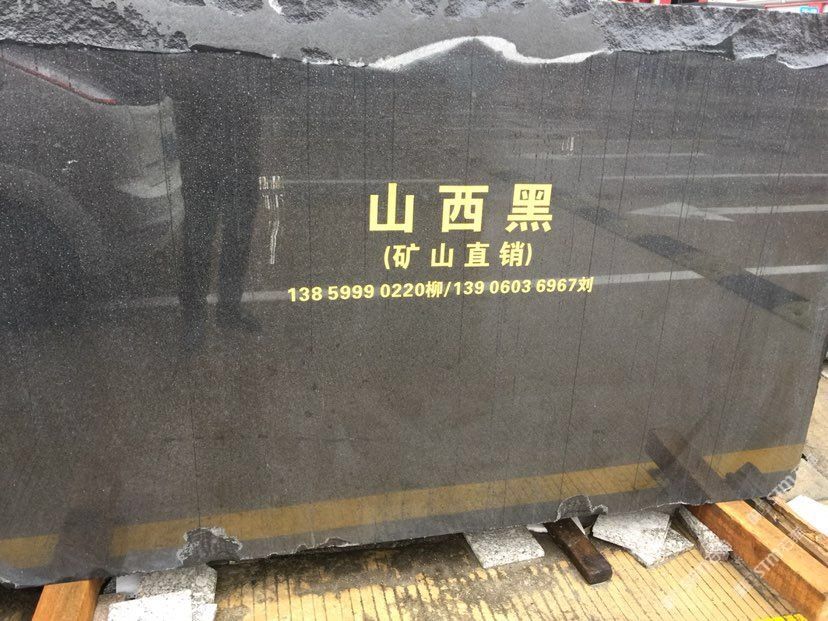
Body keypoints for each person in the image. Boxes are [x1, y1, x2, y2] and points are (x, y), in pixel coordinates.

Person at [166, 55, 262, 351]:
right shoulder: (197, 51)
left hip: (242, 159)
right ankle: (194, 317)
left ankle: (228, 310)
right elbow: (177, 89)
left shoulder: (247, 53)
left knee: (238, 239)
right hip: (202, 163)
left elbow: (263, 95)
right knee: (198, 241)